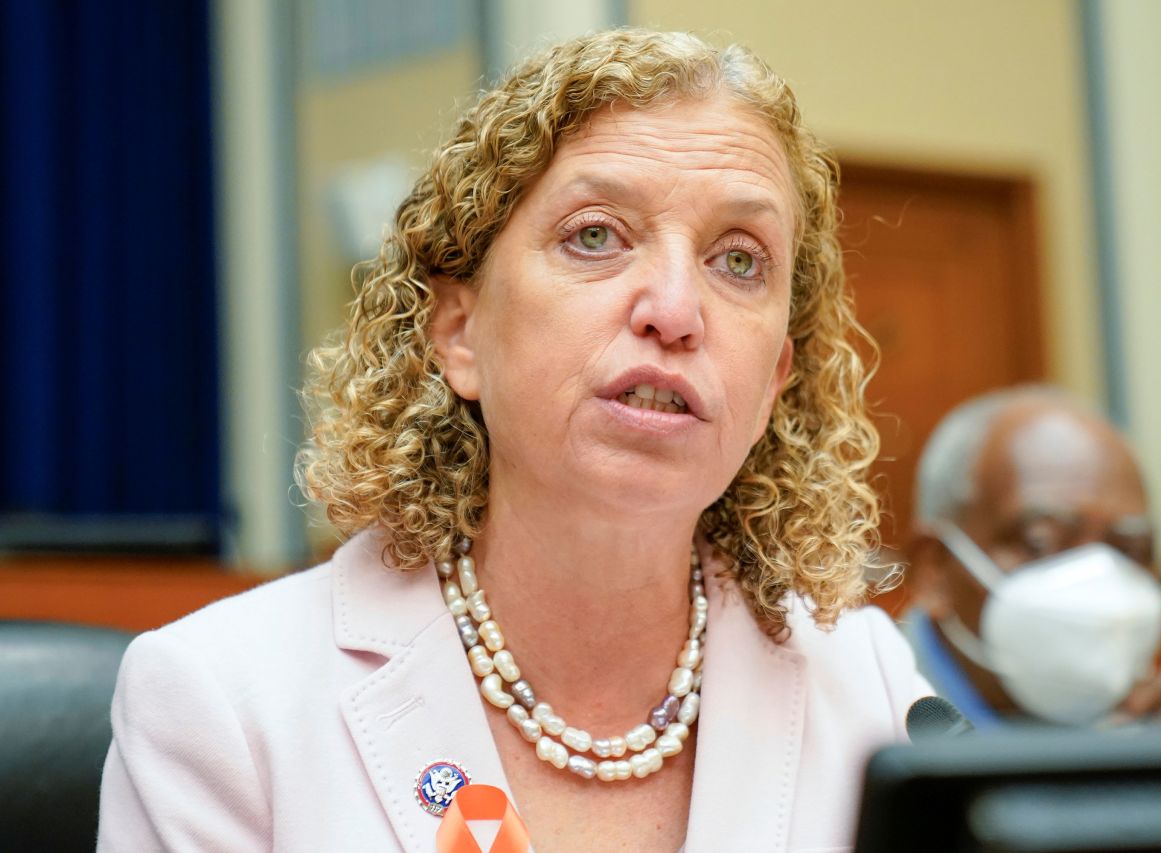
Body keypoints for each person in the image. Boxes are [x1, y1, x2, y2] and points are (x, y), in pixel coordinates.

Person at [97, 29, 931, 852]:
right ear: (459, 332)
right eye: (596, 235)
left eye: (740, 260)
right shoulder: (223, 700)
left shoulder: (872, 684)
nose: (675, 311)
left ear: (773, 384)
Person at [903, 385, 1161, 729]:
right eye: (1041, 543)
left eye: (1128, 550)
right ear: (933, 570)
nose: (1097, 580)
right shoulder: (865, 722)